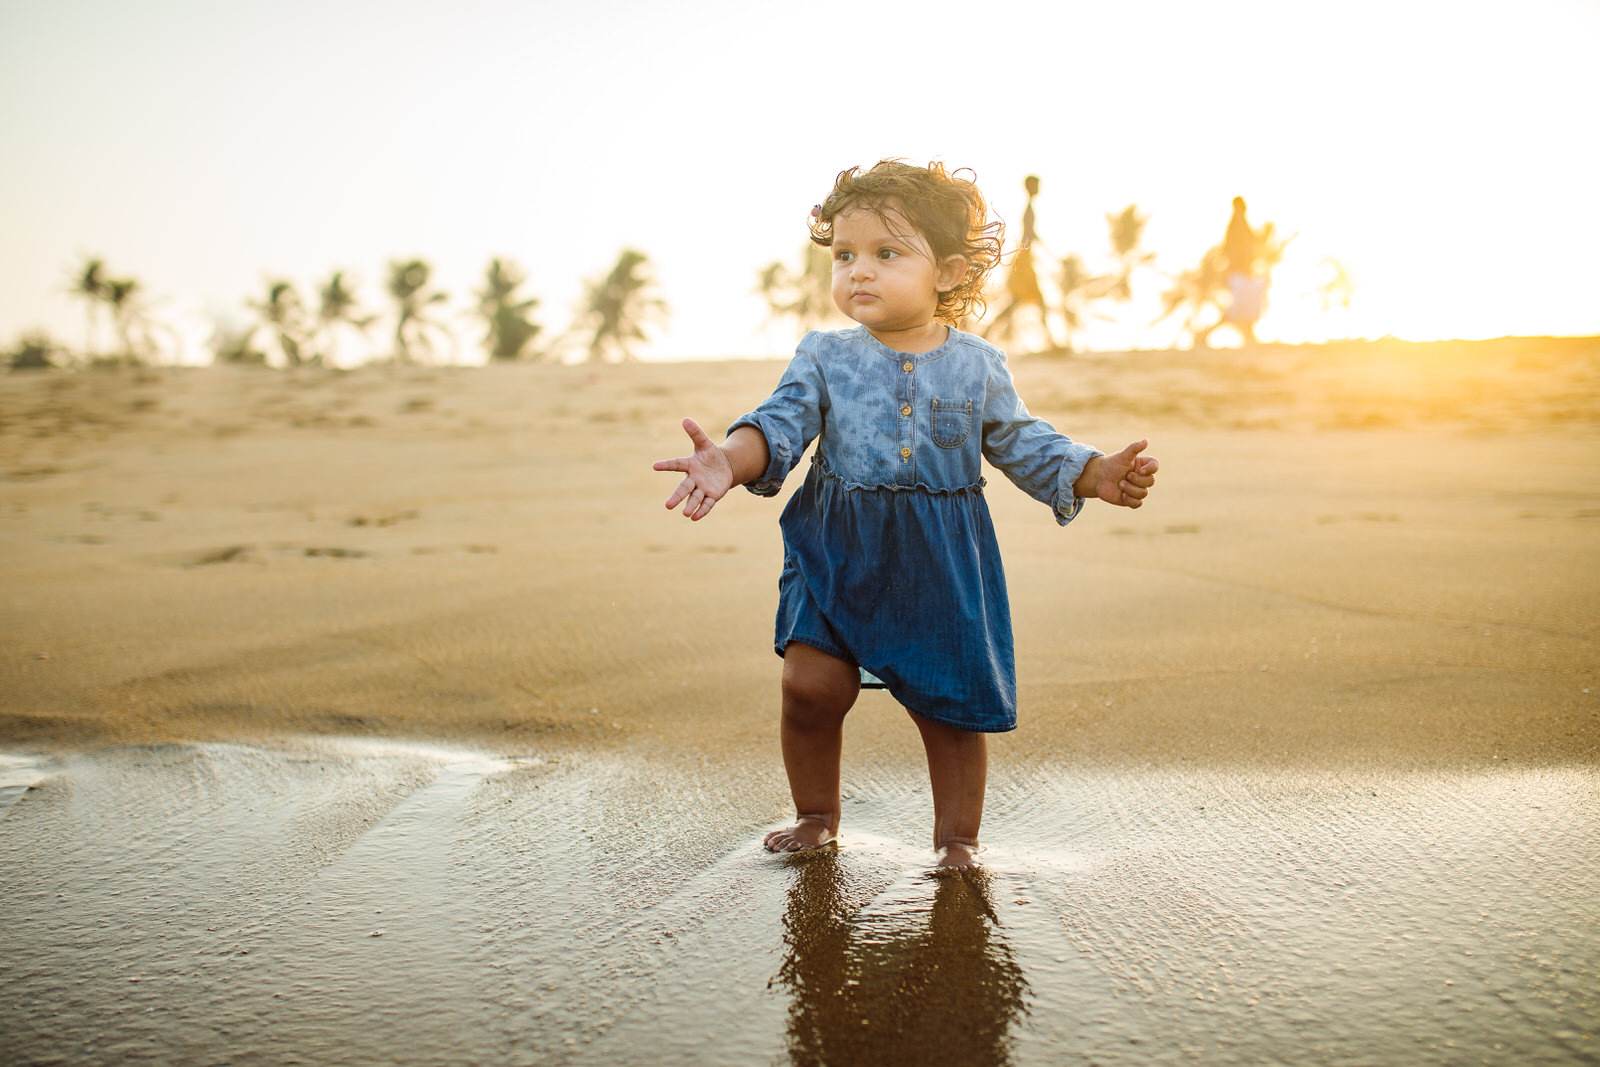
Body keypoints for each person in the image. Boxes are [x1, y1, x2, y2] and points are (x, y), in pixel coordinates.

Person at [652, 160, 1158, 869]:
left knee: (948, 709)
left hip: (939, 560)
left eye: (886, 254)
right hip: (836, 547)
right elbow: (777, 424)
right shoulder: (824, 356)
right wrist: (727, 461)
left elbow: (1020, 439)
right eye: (845, 255)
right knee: (809, 686)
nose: (859, 271)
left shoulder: (977, 365)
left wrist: (1093, 471)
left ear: (947, 272)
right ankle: (816, 813)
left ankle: (957, 838)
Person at [981, 175, 1060, 350]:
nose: (1038, 188)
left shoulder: (1029, 209)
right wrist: (1047, 253)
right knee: (1038, 300)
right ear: (1030, 187)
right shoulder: (1029, 210)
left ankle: (985, 335)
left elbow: (1030, 235)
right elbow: (1029, 235)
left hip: (1025, 259)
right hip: (1024, 261)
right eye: (1036, 185)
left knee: (1017, 302)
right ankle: (1051, 342)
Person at [1220, 196, 1265, 345]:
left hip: (1243, 270)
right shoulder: (1236, 224)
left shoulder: (1242, 224)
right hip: (1238, 270)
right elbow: (1231, 249)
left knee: (1246, 304)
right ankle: (1248, 336)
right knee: (1240, 305)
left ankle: (1249, 336)